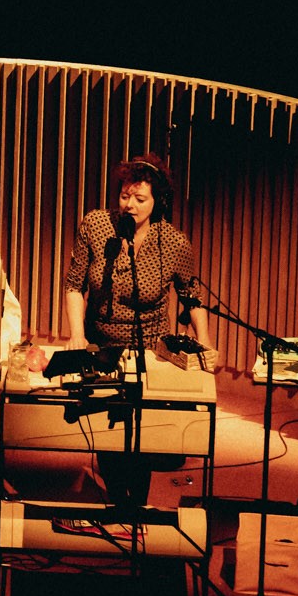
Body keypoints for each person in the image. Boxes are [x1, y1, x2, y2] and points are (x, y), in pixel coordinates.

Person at [60, 155, 217, 503]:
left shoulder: (173, 243)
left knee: (142, 439)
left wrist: (204, 343)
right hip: (101, 344)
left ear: (158, 202)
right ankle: (121, 505)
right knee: (109, 433)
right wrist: (77, 335)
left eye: (140, 199)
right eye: (124, 196)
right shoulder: (96, 226)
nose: (129, 205)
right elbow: (74, 285)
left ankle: (136, 508)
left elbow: (191, 297)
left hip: (150, 350)